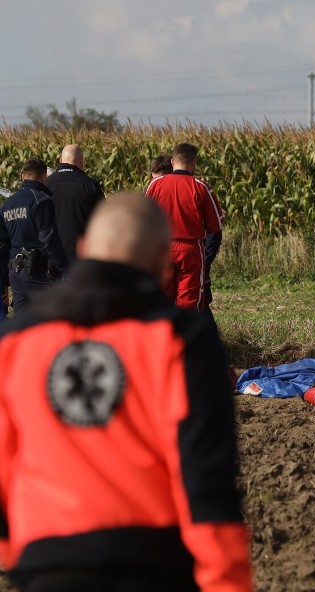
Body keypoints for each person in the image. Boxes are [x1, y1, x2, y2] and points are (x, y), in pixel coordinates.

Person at [0, 192, 253, 591]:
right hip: (153, 562)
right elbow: (205, 473)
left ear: (83, 249)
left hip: (47, 562)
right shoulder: (181, 338)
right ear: (162, 264)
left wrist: (20, 556)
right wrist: (227, 581)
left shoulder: (15, 341)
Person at [146, 143, 224, 311]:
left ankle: (163, 336)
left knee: (162, 302)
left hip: (162, 249)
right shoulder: (201, 187)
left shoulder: (155, 185)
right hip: (190, 251)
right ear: (194, 163)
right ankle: (186, 335)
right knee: (189, 303)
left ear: (173, 161)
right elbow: (215, 227)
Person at [0, 158, 69, 313]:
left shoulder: (7, 204)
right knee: (55, 316)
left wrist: (4, 280)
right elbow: (49, 239)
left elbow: (2, 245)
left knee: (21, 324)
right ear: (44, 176)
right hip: (38, 272)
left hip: (16, 274)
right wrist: (64, 269)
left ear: (22, 176)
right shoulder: (41, 200)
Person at [46, 144, 105, 261]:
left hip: (51, 255)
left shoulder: (46, 184)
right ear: (81, 160)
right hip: (81, 255)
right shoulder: (90, 185)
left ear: (60, 160)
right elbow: (102, 220)